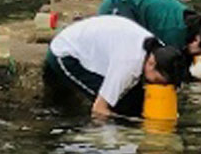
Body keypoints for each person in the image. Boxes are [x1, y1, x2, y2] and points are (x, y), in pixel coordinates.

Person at [44, 15, 187, 118]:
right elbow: (99, 109)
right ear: (151, 64)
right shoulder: (128, 65)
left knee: (135, 102)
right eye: (159, 80)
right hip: (66, 53)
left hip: (97, 45)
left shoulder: (159, 49)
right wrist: (129, 126)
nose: (161, 84)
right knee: (118, 106)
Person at [97, 0, 201, 62]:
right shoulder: (174, 32)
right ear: (197, 40)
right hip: (118, 7)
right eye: (200, 52)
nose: (199, 56)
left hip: (132, 7)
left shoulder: (191, 22)